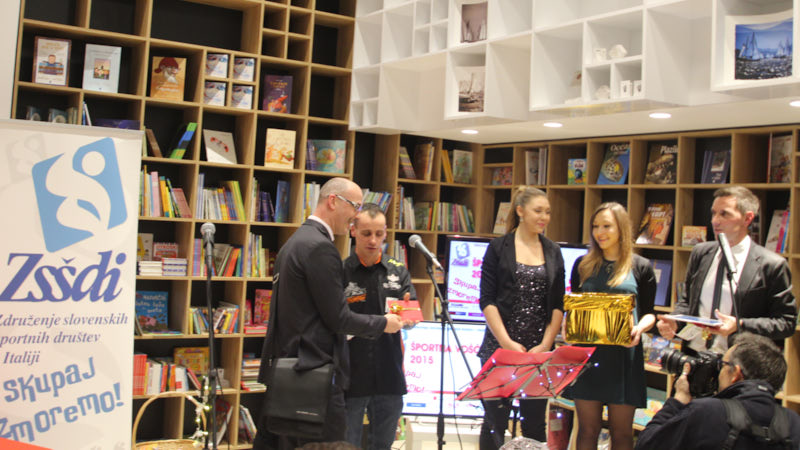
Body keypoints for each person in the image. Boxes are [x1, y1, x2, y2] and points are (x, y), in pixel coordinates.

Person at [254, 178, 404, 450]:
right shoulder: (320, 248)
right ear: (333, 201)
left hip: (289, 373)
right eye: (355, 206)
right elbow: (339, 318)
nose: (356, 215)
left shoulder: (294, 242)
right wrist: (383, 323)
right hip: (313, 378)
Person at [656, 186, 796, 353]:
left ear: (747, 218)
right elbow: (687, 302)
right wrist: (675, 321)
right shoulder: (701, 253)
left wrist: (740, 324)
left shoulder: (771, 264)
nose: (715, 220)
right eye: (713, 213)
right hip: (694, 356)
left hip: (738, 361)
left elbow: (786, 323)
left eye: (724, 214)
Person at [477, 186, 566, 448]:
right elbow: (487, 300)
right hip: (500, 349)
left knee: (535, 425)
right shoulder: (498, 247)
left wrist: (545, 344)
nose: (544, 217)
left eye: (547, 212)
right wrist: (506, 343)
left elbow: (558, 305)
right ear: (520, 211)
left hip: (538, 353)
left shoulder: (553, 251)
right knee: (495, 423)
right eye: (538, 211)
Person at [567, 202, 656, 450]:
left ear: (621, 229)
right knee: (587, 430)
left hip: (624, 358)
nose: (600, 232)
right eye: (595, 226)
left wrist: (639, 329)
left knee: (622, 433)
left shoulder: (640, 266)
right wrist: (568, 324)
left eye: (607, 226)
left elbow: (650, 314)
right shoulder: (582, 265)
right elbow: (574, 306)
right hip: (588, 357)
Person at [635, 332, 800, 449]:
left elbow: (646, 444)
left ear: (735, 374)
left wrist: (677, 402)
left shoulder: (707, 412)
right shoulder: (792, 422)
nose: (718, 372)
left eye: (722, 365)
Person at [342, 203, 417, 449]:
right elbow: (336, 321)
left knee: (383, 445)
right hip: (351, 374)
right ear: (353, 231)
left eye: (379, 233)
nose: (373, 240)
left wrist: (409, 319)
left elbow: (411, 314)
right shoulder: (341, 271)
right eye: (366, 233)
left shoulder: (398, 270)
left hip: (389, 374)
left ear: (385, 233)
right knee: (346, 445)